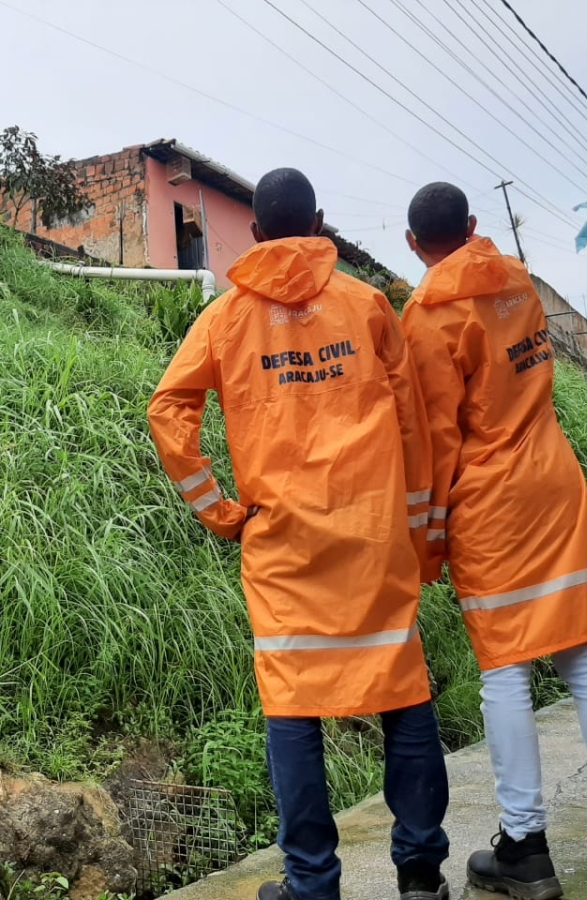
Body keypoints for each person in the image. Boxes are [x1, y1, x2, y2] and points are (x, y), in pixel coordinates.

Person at [148, 168, 450, 900]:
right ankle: (419, 876)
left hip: (282, 546)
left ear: (254, 233)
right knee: (402, 688)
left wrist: (219, 511)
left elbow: (168, 412)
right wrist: (417, 533)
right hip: (374, 534)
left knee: (293, 706)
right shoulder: (369, 304)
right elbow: (414, 425)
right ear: (320, 225)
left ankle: (312, 885)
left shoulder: (224, 318)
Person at [400, 182, 587, 899]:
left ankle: (525, 846)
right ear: (475, 226)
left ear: (414, 245)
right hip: (554, 479)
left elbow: (434, 437)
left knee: (507, 671)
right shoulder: (518, 282)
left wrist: (427, 539)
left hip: (490, 503)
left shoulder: (428, 315)